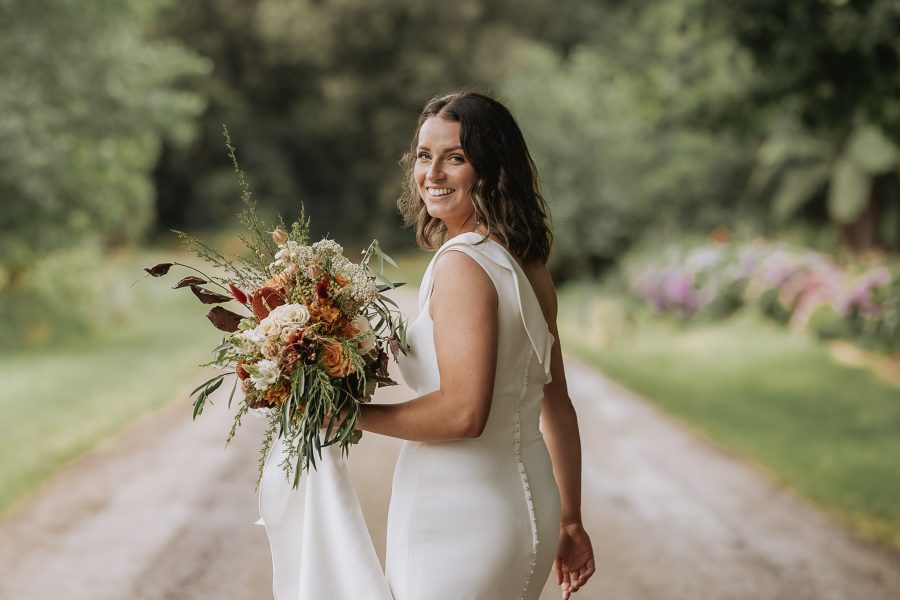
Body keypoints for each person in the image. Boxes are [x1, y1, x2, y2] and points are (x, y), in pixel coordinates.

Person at [354, 91, 595, 599]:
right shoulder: (528, 263)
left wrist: (353, 415)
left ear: (491, 168)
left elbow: (465, 414)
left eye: (455, 158)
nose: (433, 174)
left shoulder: (463, 264)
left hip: (458, 516)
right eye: (425, 156)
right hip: (529, 511)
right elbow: (558, 403)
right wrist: (569, 520)